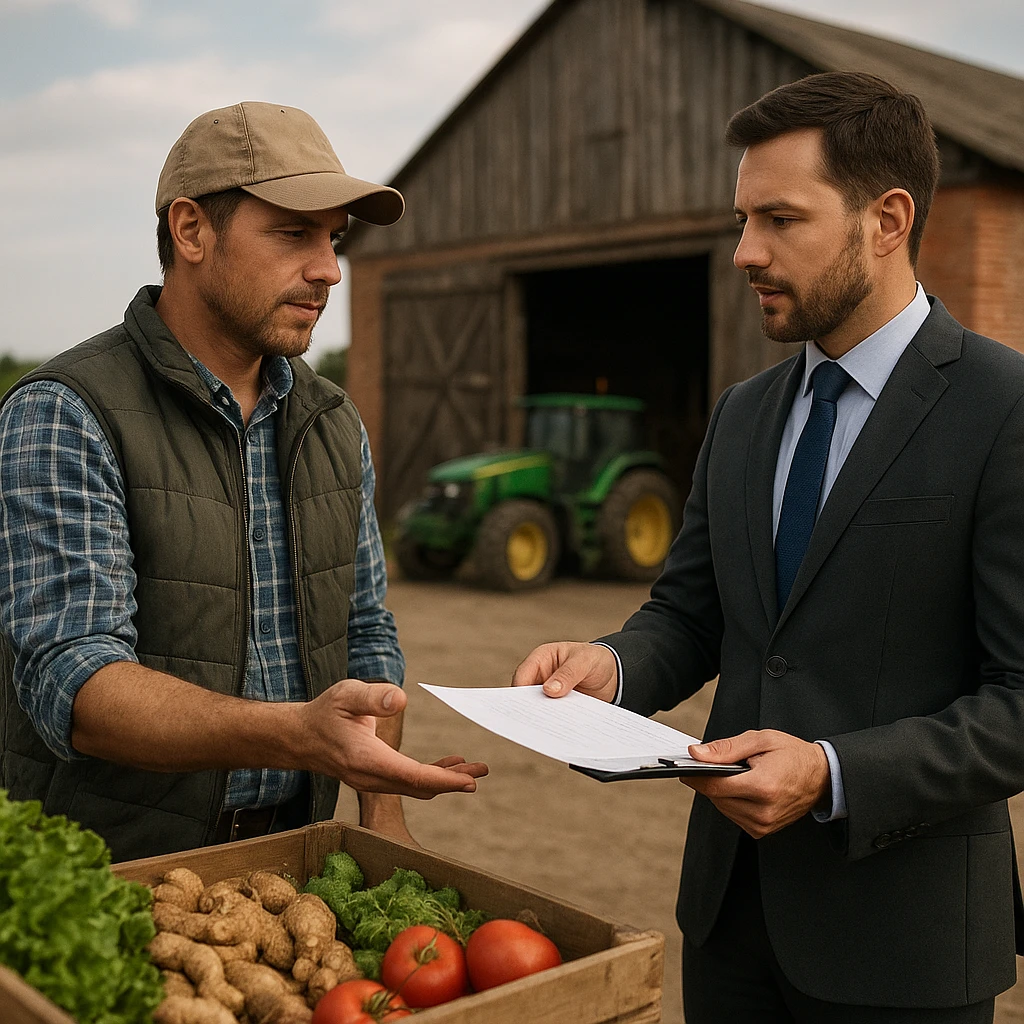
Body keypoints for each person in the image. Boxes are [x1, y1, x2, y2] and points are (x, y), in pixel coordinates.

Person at [514, 72, 1024, 1022]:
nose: (745, 251)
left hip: (904, 949)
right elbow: (691, 615)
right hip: (728, 926)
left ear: (888, 218)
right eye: (742, 218)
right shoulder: (745, 413)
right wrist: (610, 667)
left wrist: (833, 772)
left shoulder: (1004, 409)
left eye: (780, 219)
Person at [0, 101, 486, 863]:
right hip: (111, 868)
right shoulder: (67, 411)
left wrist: (381, 811)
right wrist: (299, 734)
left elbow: (365, 632)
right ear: (191, 230)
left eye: (334, 239)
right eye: (294, 233)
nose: (328, 268)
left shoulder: (333, 422)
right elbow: (77, 680)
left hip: (294, 860)